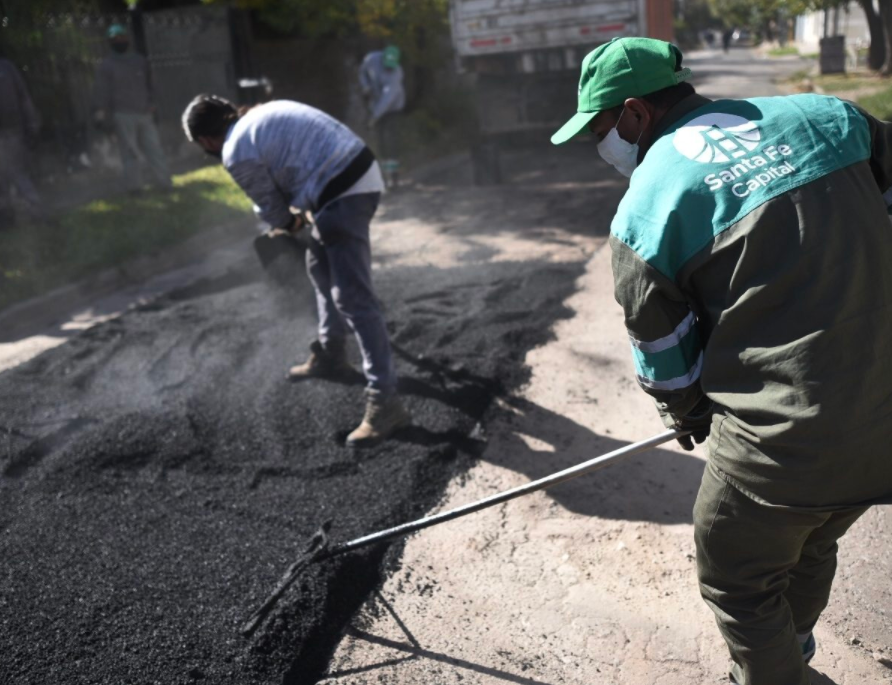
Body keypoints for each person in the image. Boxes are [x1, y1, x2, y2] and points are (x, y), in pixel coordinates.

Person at [552, 37, 892, 685]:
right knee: (814, 534)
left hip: (785, 444)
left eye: (599, 131)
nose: (602, 147)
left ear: (634, 114)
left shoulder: (646, 208)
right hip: (883, 413)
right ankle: (793, 651)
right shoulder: (830, 117)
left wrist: (688, 414)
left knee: (737, 576)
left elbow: (667, 360)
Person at [181, 94, 411, 447]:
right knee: (319, 265)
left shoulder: (236, 150)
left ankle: (385, 401)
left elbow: (272, 209)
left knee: (352, 297)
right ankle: (332, 353)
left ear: (206, 141)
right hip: (354, 172)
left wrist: (289, 224)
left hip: (342, 191)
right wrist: (298, 219)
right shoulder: (262, 113)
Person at [93, 23, 172, 193]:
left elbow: (151, 85)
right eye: (115, 39)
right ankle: (135, 188)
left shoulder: (139, 61)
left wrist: (153, 105)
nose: (119, 40)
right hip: (122, 115)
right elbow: (102, 93)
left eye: (122, 37)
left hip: (145, 113)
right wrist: (101, 114)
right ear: (110, 42)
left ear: (127, 38)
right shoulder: (106, 65)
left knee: (154, 150)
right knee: (130, 153)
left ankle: (165, 184)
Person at [0, 56, 42, 227]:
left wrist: (32, 124)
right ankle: (5, 216)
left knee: (17, 171)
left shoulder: (6, 67)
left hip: (12, 129)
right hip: (11, 129)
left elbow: (23, 96)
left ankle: (36, 210)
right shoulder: (7, 68)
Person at [359, 45, 405, 187]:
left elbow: (387, 100)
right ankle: (383, 175)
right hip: (375, 105)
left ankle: (394, 176)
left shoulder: (396, 74)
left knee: (391, 140)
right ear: (382, 57)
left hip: (392, 108)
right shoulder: (371, 59)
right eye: (387, 65)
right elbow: (362, 72)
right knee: (380, 141)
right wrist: (365, 86)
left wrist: (373, 118)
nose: (389, 68)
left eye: (392, 66)